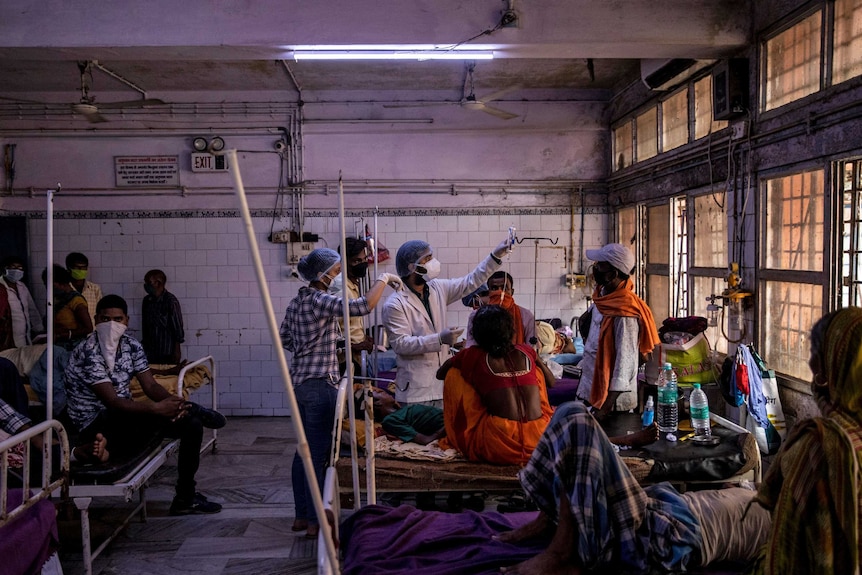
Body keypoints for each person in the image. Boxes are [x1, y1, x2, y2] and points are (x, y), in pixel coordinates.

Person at [497, 401, 771, 574]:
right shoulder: (762, 492)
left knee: (577, 420)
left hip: (661, 537)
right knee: (570, 413)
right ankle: (547, 521)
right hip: (657, 510)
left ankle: (561, 554)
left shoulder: (787, 525)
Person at [64, 294, 226, 515]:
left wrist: (170, 402)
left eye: (118, 319)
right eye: (105, 319)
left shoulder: (131, 345)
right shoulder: (88, 351)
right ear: (95, 320)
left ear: (127, 321)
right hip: (95, 423)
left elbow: (150, 386)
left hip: (123, 417)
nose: (112, 325)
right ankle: (193, 408)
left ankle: (185, 497)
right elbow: (111, 402)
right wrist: (155, 409)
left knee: (192, 425)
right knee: (177, 417)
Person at [280, 248, 402, 539]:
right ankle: (314, 521)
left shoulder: (296, 302)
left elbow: (286, 337)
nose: (337, 275)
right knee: (321, 454)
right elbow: (362, 307)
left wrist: (318, 345)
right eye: (334, 272)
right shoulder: (320, 300)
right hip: (322, 384)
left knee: (304, 451)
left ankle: (301, 516)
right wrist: (383, 278)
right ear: (321, 275)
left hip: (300, 382)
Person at [747, 307, 862, 574]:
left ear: (834, 365)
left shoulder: (821, 447)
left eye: (817, 355)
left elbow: (785, 553)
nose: (810, 366)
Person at [381, 235, 512, 408]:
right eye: (427, 259)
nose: (432, 262)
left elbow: (470, 281)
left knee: (444, 433)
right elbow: (400, 344)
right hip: (415, 390)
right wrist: (439, 339)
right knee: (423, 433)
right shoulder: (395, 303)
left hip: (442, 385)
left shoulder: (438, 288)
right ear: (412, 267)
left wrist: (495, 256)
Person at [436, 305, 554, 465]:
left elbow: (440, 374)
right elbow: (552, 382)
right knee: (537, 371)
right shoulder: (526, 351)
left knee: (454, 374)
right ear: (511, 331)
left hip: (499, 444)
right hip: (539, 439)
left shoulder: (472, 356)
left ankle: (460, 430)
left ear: (477, 334)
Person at [575, 243, 659, 417]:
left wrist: (604, 409)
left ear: (612, 274)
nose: (594, 269)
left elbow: (625, 364)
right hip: (589, 391)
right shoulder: (603, 298)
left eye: (599, 266)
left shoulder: (624, 313)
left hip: (612, 403)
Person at [330, 237, 375, 375]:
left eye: (364, 259)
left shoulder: (351, 282)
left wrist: (362, 337)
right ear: (343, 262)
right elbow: (330, 328)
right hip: (344, 361)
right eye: (356, 261)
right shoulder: (340, 286)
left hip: (355, 358)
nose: (362, 264)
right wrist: (355, 346)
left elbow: (349, 320)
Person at [465, 271, 536, 348]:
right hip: (485, 359)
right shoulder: (476, 316)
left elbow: (531, 349)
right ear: (489, 292)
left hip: (515, 359)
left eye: (505, 288)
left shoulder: (526, 316)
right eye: (494, 288)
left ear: (512, 292)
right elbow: (472, 347)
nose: (500, 292)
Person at [360, 386, 445, 446]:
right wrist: (448, 425)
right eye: (381, 392)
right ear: (377, 403)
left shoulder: (400, 411)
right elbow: (425, 440)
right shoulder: (389, 420)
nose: (386, 393)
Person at [41, 265, 93, 350]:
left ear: (62, 283)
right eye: (46, 285)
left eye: (51, 285)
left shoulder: (76, 300)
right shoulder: (53, 299)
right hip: (55, 346)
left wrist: (65, 334)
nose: (48, 288)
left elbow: (88, 328)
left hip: (73, 347)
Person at [141, 269, 185, 365]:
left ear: (158, 283)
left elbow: (177, 327)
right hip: (150, 351)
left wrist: (177, 350)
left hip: (167, 351)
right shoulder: (147, 301)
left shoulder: (170, 301)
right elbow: (145, 325)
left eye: (148, 282)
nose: (145, 285)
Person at [0, 255, 44, 348]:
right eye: (13, 267)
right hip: (7, 339)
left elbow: (32, 309)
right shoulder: (1, 288)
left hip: (25, 337)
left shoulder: (22, 286)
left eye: (20, 268)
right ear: (5, 269)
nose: (17, 270)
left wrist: (39, 328)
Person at [66, 252, 102, 325]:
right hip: (71, 333)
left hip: (91, 333)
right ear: (69, 268)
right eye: (77, 268)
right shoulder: (64, 289)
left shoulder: (95, 289)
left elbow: (100, 312)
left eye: (84, 267)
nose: (81, 270)